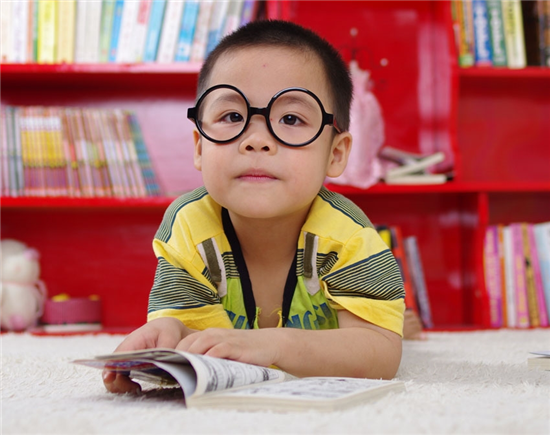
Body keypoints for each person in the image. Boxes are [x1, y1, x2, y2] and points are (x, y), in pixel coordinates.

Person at [104, 20, 405, 394]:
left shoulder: (349, 236)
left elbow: (381, 352)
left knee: (396, 325)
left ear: (336, 153)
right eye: (232, 117)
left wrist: (273, 343)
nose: (257, 140)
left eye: (291, 119)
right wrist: (173, 334)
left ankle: (403, 316)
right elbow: (200, 336)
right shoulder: (188, 226)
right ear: (199, 146)